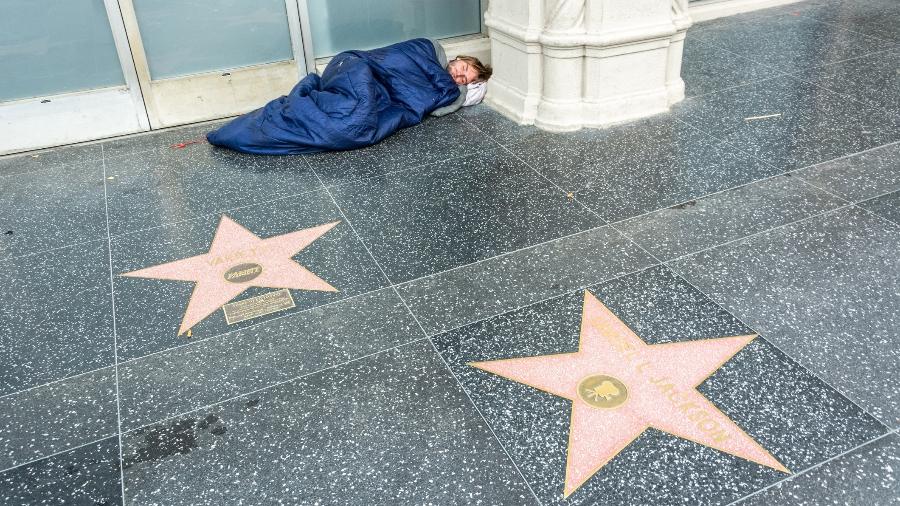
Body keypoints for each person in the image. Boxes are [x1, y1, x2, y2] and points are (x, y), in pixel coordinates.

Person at [429, 40, 492, 117]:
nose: (459, 74)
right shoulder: (435, 52)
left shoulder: (448, 90)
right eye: (463, 68)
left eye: (463, 79)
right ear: (459, 59)